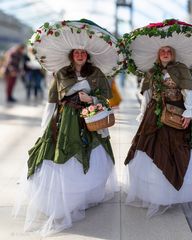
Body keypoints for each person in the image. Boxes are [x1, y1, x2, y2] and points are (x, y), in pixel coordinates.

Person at [13, 19, 124, 236]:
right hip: (65, 122)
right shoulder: (61, 73)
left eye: (83, 52)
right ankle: (67, 197)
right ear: (71, 55)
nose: (80, 55)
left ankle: (86, 195)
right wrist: (45, 127)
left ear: (88, 55)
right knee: (62, 156)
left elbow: (105, 99)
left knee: (92, 157)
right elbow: (52, 101)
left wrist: (91, 99)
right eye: (76, 52)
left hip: (90, 121)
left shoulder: (97, 74)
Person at [122, 19, 192, 217]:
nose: (166, 53)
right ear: (158, 55)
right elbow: (147, 96)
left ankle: (180, 190)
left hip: (177, 115)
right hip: (154, 117)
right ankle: (157, 193)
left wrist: (189, 112)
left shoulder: (181, 69)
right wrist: (143, 115)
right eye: (162, 51)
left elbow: (191, 93)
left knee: (182, 150)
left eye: (168, 51)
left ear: (173, 53)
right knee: (149, 149)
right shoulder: (151, 73)